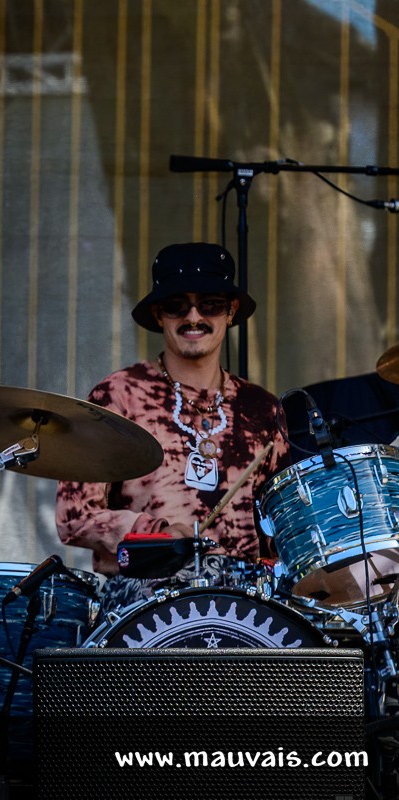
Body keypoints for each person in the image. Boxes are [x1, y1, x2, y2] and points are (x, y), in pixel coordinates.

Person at [55, 242, 289, 612]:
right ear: (158, 314)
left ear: (230, 312)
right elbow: (75, 518)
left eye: (209, 304)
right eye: (177, 306)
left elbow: (285, 528)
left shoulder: (261, 409)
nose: (193, 317)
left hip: (246, 601)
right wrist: (156, 532)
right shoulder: (119, 395)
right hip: (144, 597)